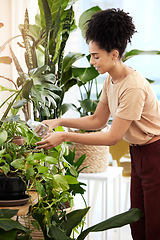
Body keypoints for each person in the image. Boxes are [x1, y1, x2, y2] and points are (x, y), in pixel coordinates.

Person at [36, 8, 160, 240]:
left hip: (156, 156)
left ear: (114, 54)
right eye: (91, 55)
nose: (92, 61)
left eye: (96, 56)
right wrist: (59, 121)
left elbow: (112, 137)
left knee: (154, 229)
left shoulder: (132, 86)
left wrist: (64, 136)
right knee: (139, 225)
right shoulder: (111, 79)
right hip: (139, 156)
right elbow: (97, 120)